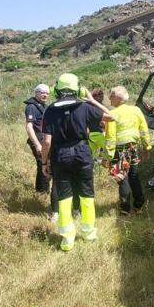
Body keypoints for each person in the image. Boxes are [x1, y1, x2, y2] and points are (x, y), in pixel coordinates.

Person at [41, 73, 114, 251]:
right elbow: (111, 117)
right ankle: (89, 233)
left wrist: (45, 162)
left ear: (56, 89)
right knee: (87, 194)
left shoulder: (50, 110)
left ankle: (67, 239)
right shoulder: (85, 107)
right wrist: (91, 100)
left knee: (65, 197)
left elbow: (47, 142)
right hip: (82, 152)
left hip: (60, 155)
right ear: (78, 88)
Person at [105, 86, 152, 214]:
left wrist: (108, 156)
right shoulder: (136, 110)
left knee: (122, 179)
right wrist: (147, 147)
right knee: (134, 176)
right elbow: (144, 130)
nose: (109, 98)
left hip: (120, 151)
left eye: (112, 95)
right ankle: (139, 205)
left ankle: (125, 209)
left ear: (119, 99)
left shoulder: (112, 114)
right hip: (133, 149)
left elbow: (110, 137)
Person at [23, 83, 51, 195]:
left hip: (45, 138)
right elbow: (29, 127)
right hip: (38, 138)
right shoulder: (32, 106)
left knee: (47, 163)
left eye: (47, 93)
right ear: (36, 93)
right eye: (42, 92)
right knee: (42, 163)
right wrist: (37, 144)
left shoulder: (43, 106)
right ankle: (41, 192)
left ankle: (45, 190)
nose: (45, 95)